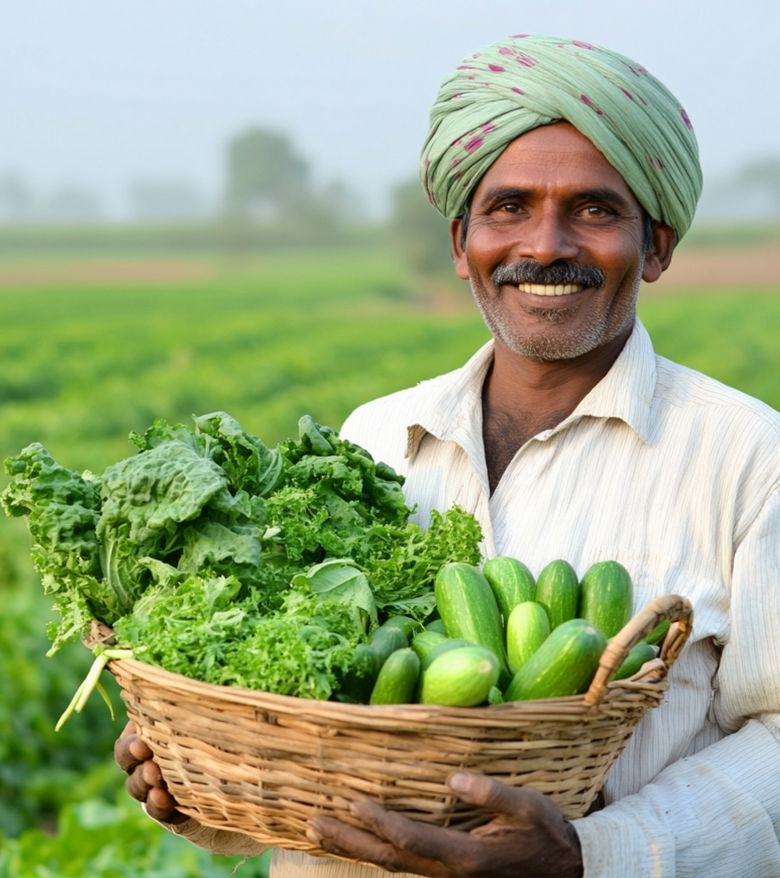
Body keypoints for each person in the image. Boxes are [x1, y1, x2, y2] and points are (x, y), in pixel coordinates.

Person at [115, 33, 780, 877]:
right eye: (509, 208)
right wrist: (204, 783)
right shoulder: (374, 440)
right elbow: (311, 732)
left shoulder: (749, 457)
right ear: (461, 243)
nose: (546, 245)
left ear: (655, 246)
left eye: (594, 209)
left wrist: (592, 854)